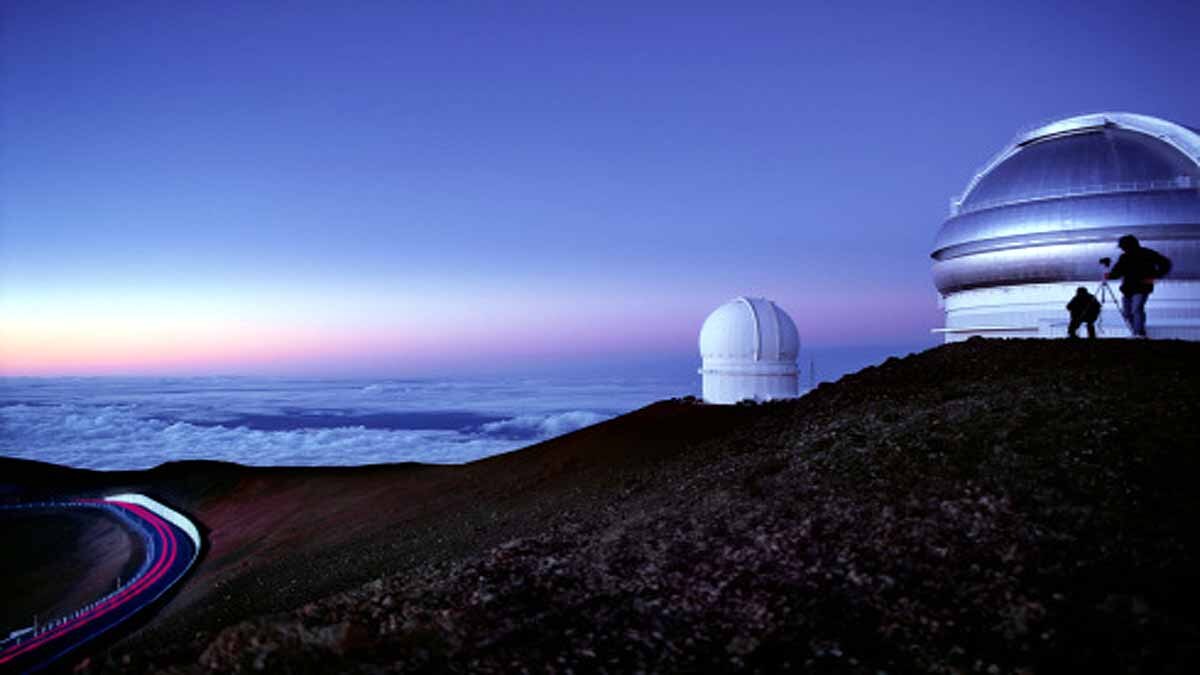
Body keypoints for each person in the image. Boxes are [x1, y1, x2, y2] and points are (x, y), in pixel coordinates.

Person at [1105, 234, 1172, 337]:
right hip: (1128, 289)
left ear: (1128, 245)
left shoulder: (1147, 253)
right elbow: (1118, 271)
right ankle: (1136, 332)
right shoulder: (1124, 257)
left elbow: (1165, 263)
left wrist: (1155, 276)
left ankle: (1139, 333)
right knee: (1127, 313)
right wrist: (1110, 276)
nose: (1122, 249)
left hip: (1142, 288)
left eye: (1123, 247)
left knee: (1136, 309)